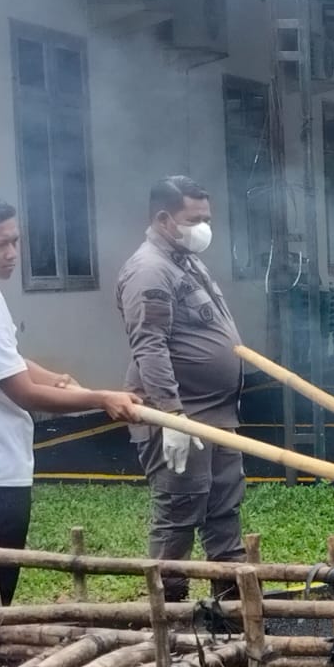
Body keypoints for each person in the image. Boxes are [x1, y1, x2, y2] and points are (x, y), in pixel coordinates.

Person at [0, 197, 138, 605]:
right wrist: (100, 398)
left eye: (15, 241)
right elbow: (23, 393)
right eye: (0, 245)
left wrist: (57, 378)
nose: (12, 254)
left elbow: (9, 357)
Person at [116, 176, 246, 603]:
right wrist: (171, 416)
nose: (204, 228)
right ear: (164, 218)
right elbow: (149, 345)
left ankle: (229, 607)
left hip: (218, 415)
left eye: (207, 219)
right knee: (179, 513)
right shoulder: (150, 268)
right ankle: (169, 615)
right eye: (195, 219)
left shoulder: (186, 260)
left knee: (224, 510)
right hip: (182, 416)